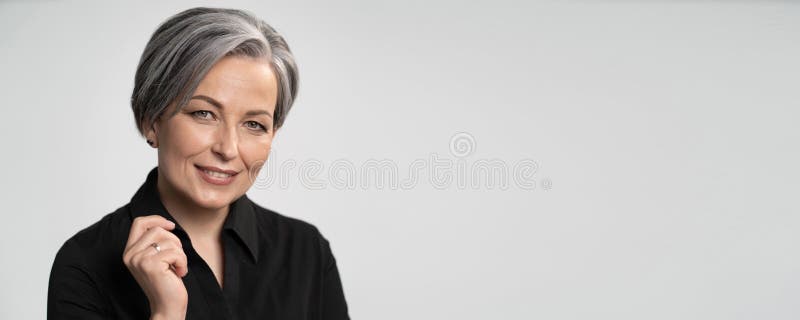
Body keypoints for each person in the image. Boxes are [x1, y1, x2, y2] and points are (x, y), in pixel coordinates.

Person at [47, 7, 350, 320]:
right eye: (203, 114)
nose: (228, 149)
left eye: (254, 124)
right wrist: (166, 313)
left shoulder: (307, 253)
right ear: (152, 120)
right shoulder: (85, 263)